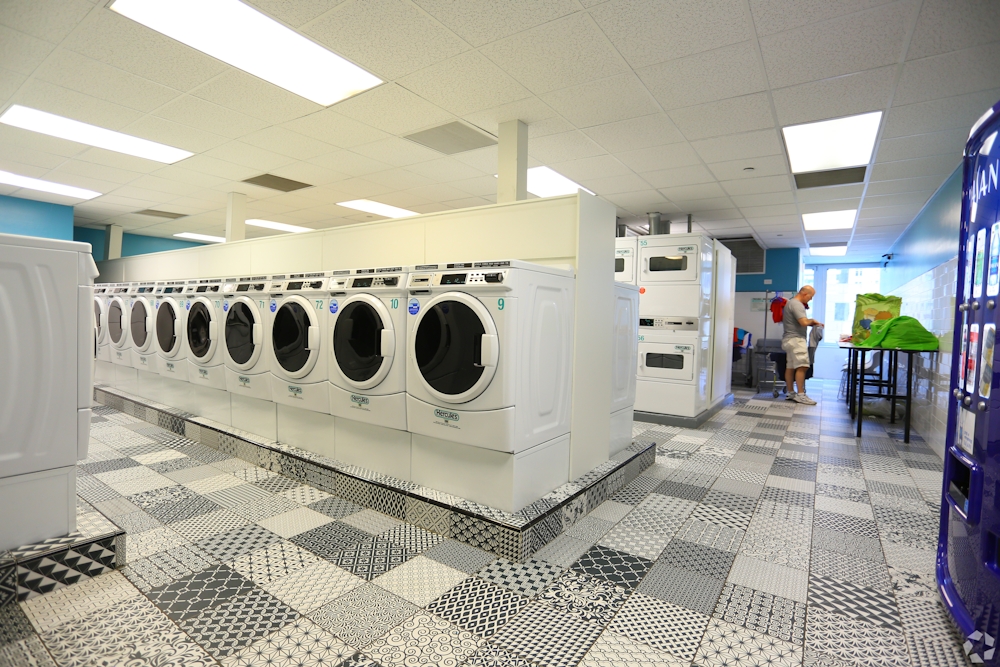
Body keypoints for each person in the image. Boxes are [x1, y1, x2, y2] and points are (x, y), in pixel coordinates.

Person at [782, 286, 823, 405]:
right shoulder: (797, 304)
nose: (810, 299)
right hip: (796, 340)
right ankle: (801, 395)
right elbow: (803, 322)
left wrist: (812, 323)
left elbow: (799, 322)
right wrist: (813, 321)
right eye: (811, 296)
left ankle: (790, 392)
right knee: (802, 366)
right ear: (805, 294)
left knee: (790, 367)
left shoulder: (790, 303)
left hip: (788, 340)